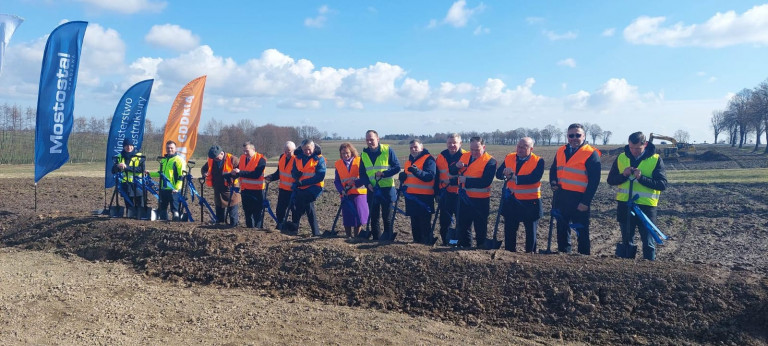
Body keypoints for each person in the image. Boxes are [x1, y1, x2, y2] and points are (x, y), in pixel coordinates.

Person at [607, 131, 668, 260]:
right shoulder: (621, 158)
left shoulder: (656, 159)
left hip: (647, 207)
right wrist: (623, 175)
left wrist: (641, 178)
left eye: (638, 148)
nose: (634, 151)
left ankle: (649, 268)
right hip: (625, 205)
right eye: (631, 148)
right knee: (627, 241)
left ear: (645, 144)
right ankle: (627, 269)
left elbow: (662, 184)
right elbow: (611, 180)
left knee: (648, 243)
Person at [549, 123, 601, 255]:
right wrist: (553, 181)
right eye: (571, 135)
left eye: (578, 135)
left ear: (584, 136)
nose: (574, 138)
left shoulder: (591, 153)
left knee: (582, 231)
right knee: (562, 229)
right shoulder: (561, 150)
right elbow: (554, 169)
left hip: (579, 199)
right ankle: (564, 254)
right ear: (567, 136)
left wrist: (585, 202)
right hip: (561, 197)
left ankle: (583, 258)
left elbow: (594, 182)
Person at [495, 137, 544, 253]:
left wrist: (514, 178)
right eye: (519, 146)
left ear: (531, 148)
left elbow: (534, 178)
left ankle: (530, 255)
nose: (520, 149)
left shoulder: (538, 161)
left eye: (524, 147)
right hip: (512, 201)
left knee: (530, 232)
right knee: (510, 230)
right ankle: (509, 253)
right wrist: (504, 173)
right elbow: (498, 174)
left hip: (530, 202)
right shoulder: (509, 157)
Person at [450, 136, 497, 248]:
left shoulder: (490, 161)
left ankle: (480, 249)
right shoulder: (465, 156)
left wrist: (466, 180)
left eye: (477, 150)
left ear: (483, 147)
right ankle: (466, 248)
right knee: (463, 226)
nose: (474, 152)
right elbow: (452, 171)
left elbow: (485, 181)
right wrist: (456, 166)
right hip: (464, 199)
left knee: (480, 227)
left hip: (481, 201)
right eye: (472, 149)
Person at [358, 130, 401, 240]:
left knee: (387, 216)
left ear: (378, 139)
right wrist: (367, 184)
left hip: (387, 188)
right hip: (372, 189)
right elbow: (362, 174)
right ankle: (376, 238)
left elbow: (397, 167)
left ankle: (388, 237)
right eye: (367, 140)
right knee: (374, 216)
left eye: (371, 139)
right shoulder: (364, 154)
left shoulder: (387, 150)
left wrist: (384, 174)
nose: (369, 142)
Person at [401, 139, 436, 245]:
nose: (413, 149)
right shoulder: (409, 161)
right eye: (411, 147)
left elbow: (430, 176)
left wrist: (417, 171)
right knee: (414, 221)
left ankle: (426, 242)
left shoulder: (429, 159)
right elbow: (409, 177)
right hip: (411, 196)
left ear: (421, 147)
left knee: (424, 222)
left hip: (424, 197)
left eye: (415, 147)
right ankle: (416, 242)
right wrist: (403, 177)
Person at [435, 133, 467, 245]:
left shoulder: (466, 156)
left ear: (460, 143)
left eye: (455, 143)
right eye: (449, 143)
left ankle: (461, 244)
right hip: (445, 194)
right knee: (444, 222)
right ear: (446, 143)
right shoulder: (441, 156)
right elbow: (436, 176)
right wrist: (437, 193)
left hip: (461, 194)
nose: (452, 145)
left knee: (462, 222)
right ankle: (445, 242)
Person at [291, 139, 326, 236]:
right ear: (301, 149)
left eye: (309, 149)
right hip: (301, 187)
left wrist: (302, 182)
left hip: (314, 187)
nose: (307, 152)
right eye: (305, 149)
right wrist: (295, 175)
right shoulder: (297, 158)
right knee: (306, 206)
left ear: (313, 148)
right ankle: (315, 232)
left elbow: (320, 176)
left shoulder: (319, 159)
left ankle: (295, 227)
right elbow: (293, 171)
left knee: (301, 204)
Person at [333, 142, 369, 238]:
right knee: (347, 216)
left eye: (347, 153)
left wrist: (355, 181)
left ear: (352, 152)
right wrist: (341, 190)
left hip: (359, 193)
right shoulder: (338, 164)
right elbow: (337, 181)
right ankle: (348, 236)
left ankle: (357, 236)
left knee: (358, 216)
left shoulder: (360, 161)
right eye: (343, 153)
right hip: (346, 194)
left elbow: (364, 177)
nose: (345, 155)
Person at [201, 145, 241, 226]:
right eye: (214, 158)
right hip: (218, 190)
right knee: (219, 216)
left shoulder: (233, 159)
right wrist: (204, 174)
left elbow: (241, 171)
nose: (215, 159)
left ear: (222, 153)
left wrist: (234, 173)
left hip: (231, 191)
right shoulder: (211, 160)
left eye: (216, 157)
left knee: (233, 214)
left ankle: (234, 227)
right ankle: (219, 227)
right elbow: (204, 169)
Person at [232, 141, 267, 229]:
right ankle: (249, 229)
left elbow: (256, 174)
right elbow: (240, 171)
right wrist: (234, 173)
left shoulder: (261, 159)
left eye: (247, 151)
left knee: (257, 213)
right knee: (247, 212)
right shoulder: (243, 158)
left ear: (253, 149)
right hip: (245, 190)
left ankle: (258, 230)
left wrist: (240, 172)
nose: (245, 153)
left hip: (257, 191)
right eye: (244, 151)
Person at [265, 141, 297, 229]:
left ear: (294, 150)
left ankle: (294, 228)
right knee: (280, 210)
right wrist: (271, 177)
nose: (287, 153)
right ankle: (280, 225)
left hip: (293, 190)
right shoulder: (282, 157)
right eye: (285, 151)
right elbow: (279, 173)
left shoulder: (297, 159)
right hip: (283, 189)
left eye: (289, 151)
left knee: (294, 210)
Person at [151, 140, 185, 221]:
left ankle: (175, 224)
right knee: (162, 208)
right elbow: (160, 173)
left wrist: (177, 188)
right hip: (164, 188)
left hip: (174, 189)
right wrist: (149, 173)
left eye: (171, 148)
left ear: (175, 149)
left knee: (175, 209)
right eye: (168, 148)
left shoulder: (179, 160)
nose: (169, 149)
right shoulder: (164, 160)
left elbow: (181, 175)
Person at [111, 139, 145, 218]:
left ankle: (140, 216)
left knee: (140, 202)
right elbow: (113, 171)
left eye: (130, 145)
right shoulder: (119, 157)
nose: (128, 147)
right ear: (123, 147)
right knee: (128, 202)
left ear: (133, 146)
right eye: (126, 146)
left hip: (137, 184)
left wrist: (127, 167)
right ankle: (130, 217)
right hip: (125, 183)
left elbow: (141, 169)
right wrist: (118, 166)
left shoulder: (140, 156)